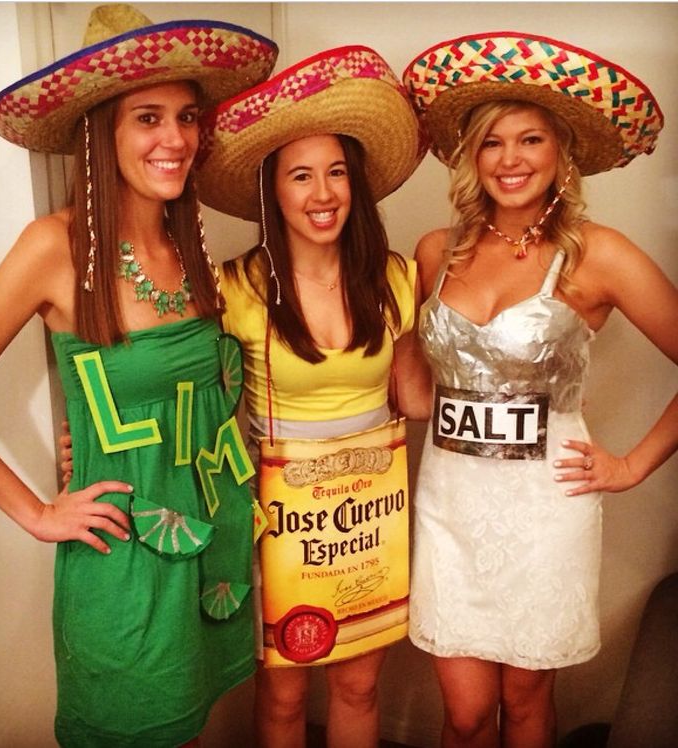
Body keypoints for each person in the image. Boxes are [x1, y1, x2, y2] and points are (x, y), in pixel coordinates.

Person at [0, 5, 278, 747]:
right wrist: (36, 512)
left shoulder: (189, 239)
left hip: (207, 548)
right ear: (103, 131)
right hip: (122, 568)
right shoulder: (51, 247)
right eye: (148, 118)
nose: (176, 139)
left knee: (188, 733)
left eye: (187, 117)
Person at [401, 31, 678, 748]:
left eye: (531, 140)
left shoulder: (599, 253)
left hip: (544, 509)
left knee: (525, 701)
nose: (511, 159)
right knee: (463, 715)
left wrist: (631, 465)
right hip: (450, 502)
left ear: (562, 152)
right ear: (470, 155)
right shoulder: (437, 251)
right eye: (492, 142)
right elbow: (414, 389)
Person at [196, 47, 427, 748]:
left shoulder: (395, 277)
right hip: (282, 529)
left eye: (335, 173)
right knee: (285, 693)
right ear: (274, 192)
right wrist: (84, 437)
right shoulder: (232, 288)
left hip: (369, 520)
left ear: (354, 184)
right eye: (301, 176)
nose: (322, 193)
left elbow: (415, 401)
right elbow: (190, 400)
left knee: (360, 685)